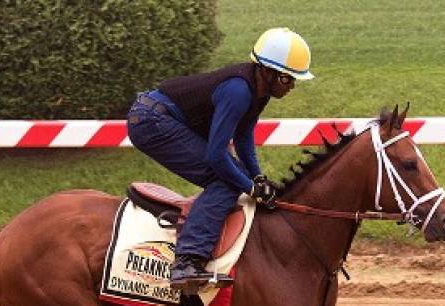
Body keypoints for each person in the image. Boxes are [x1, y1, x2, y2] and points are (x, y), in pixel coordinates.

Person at [127, 27, 314, 291]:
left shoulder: (258, 91)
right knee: (225, 180)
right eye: (288, 79)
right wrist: (249, 187)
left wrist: (258, 178)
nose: (292, 86)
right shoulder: (238, 91)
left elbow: (244, 138)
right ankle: (186, 262)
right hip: (150, 121)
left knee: (235, 175)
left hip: (161, 115)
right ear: (268, 72)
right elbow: (216, 156)